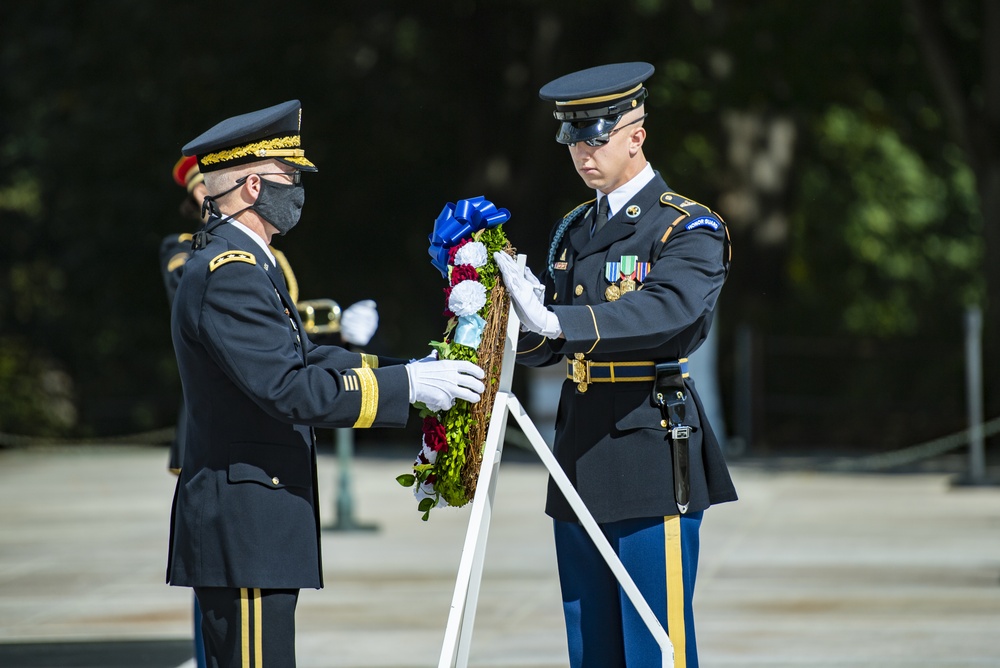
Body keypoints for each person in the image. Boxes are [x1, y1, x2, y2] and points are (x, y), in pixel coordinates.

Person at [166, 99, 485, 668]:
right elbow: (288, 387)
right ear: (252, 186)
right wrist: (406, 388)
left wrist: (401, 371)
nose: (299, 189)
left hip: (254, 520)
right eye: (290, 177)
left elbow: (308, 355)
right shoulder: (230, 273)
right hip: (245, 526)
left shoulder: (248, 262)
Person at [494, 63, 738, 668]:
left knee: (654, 641)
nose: (583, 152)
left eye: (596, 136)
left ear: (637, 135)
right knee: (591, 641)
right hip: (578, 445)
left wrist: (560, 322)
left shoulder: (687, 226)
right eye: (573, 139)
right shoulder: (576, 229)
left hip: (646, 444)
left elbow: (668, 310)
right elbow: (550, 344)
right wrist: (500, 309)